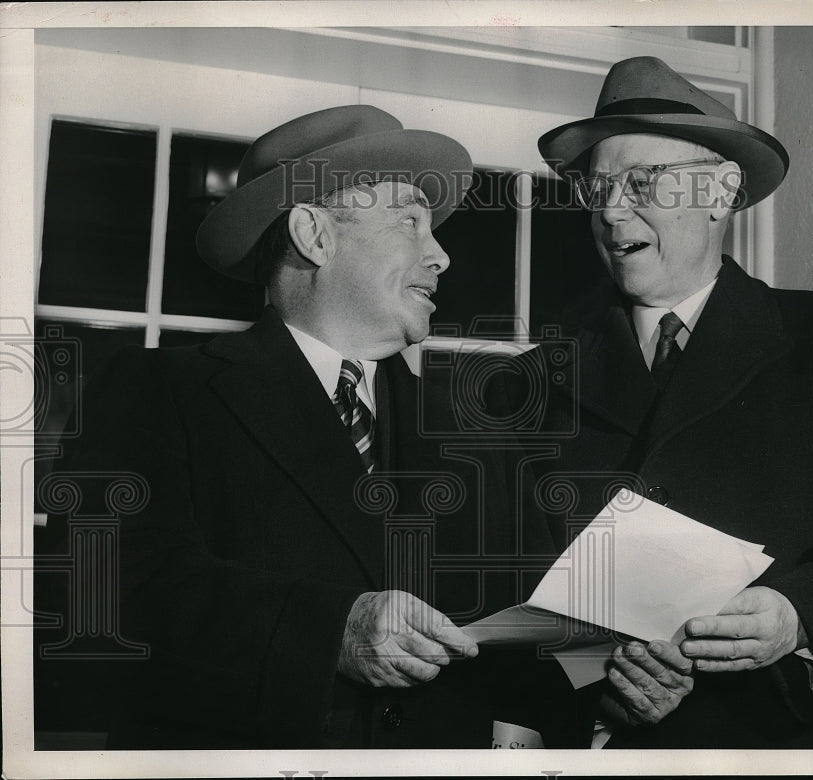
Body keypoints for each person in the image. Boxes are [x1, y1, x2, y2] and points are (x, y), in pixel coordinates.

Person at [34, 105, 547, 749]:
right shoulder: (157, 389)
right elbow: (96, 598)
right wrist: (331, 631)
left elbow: (516, 628)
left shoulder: (475, 432)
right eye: (410, 220)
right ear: (314, 235)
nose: (440, 254)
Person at [508, 56, 813, 748]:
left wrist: (802, 616)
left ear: (721, 191)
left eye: (642, 182)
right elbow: (513, 585)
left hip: (810, 743)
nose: (608, 210)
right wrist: (602, 684)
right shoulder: (531, 383)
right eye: (598, 186)